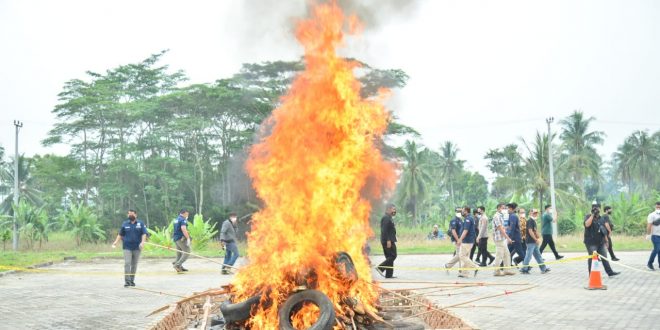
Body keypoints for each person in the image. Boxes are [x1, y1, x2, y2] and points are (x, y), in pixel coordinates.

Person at [111, 209, 147, 287]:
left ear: (135, 215)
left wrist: (142, 242)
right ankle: (127, 281)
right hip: (127, 247)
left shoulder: (140, 223)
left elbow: (144, 234)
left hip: (137, 247)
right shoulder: (125, 224)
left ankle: (132, 280)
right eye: (129, 214)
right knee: (127, 263)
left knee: (134, 265)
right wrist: (116, 242)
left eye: (132, 214)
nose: (130, 215)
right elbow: (120, 234)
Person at [584, 203, 620, 277]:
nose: (596, 210)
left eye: (597, 208)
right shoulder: (588, 216)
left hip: (601, 242)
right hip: (591, 243)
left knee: (604, 257)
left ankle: (610, 272)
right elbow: (587, 224)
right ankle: (591, 275)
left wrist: (606, 240)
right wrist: (592, 215)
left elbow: (603, 230)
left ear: (600, 209)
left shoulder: (601, 218)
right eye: (594, 208)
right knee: (592, 258)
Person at [520, 209, 550, 274]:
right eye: (534, 213)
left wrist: (538, 237)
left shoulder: (533, 221)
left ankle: (543, 268)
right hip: (531, 241)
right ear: (530, 213)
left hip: (534, 241)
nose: (535, 214)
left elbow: (535, 231)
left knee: (538, 255)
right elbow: (530, 231)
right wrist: (536, 239)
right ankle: (524, 269)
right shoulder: (530, 221)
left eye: (536, 213)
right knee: (528, 255)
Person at [492, 203, 515, 276]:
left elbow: (501, 227)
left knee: (507, 254)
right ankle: (496, 271)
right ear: (498, 208)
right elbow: (500, 228)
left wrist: (506, 228)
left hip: (502, 238)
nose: (505, 209)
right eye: (503, 208)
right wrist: (508, 238)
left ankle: (507, 270)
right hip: (499, 239)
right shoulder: (496, 216)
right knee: (499, 255)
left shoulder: (501, 216)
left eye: (505, 208)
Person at [456, 206, 479, 278]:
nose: (461, 212)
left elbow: (465, 231)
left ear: (466, 211)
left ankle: (475, 267)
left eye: (462, 211)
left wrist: (460, 239)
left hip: (467, 241)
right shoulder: (468, 218)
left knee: (462, 256)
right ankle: (464, 272)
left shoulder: (468, 219)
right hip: (469, 240)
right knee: (466, 256)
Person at [377, 204, 398, 278]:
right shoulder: (386, 218)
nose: (394, 211)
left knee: (390, 257)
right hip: (387, 241)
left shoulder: (389, 218)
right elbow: (384, 230)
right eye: (393, 209)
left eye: (395, 209)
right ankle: (380, 267)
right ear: (388, 209)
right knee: (393, 256)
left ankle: (389, 275)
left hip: (390, 240)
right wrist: (388, 240)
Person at [444, 207, 464, 273]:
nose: (460, 212)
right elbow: (453, 231)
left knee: (460, 254)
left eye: (461, 211)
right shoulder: (454, 220)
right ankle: (448, 265)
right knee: (459, 254)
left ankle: (460, 269)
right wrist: (458, 240)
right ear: (456, 212)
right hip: (456, 240)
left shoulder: (460, 220)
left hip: (460, 239)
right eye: (459, 211)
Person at [172, 209, 191, 273]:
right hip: (181, 238)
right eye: (187, 214)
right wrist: (188, 238)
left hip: (176, 238)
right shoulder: (183, 220)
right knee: (187, 251)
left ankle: (178, 265)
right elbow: (183, 229)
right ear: (184, 213)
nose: (187, 215)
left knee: (179, 254)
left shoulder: (176, 220)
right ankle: (177, 265)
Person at [646, 202, 660, 270]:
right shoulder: (652, 215)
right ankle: (649, 263)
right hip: (655, 235)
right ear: (655, 207)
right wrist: (648, 234)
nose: (658, 208)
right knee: (657, 249)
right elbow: (649, 225)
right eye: (657, 207)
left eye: (659, 207)